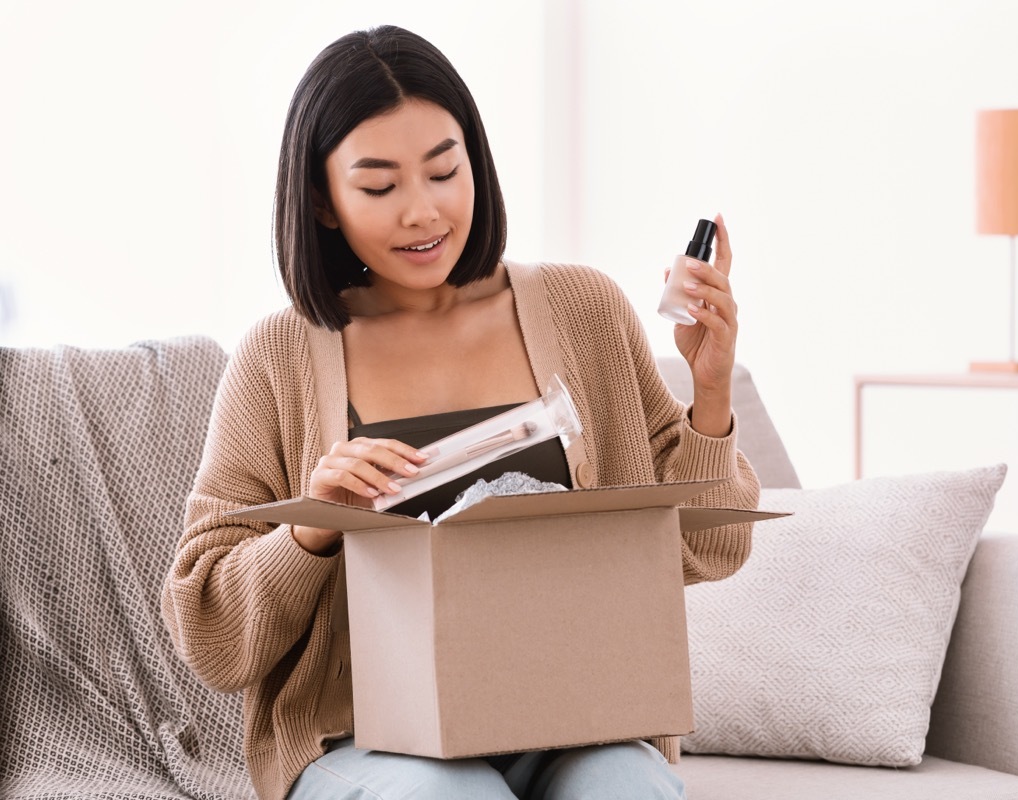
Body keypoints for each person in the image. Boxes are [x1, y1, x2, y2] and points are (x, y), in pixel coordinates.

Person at [161, 24, 759, 800]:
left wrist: (708, 396)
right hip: (366, 742)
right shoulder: (278, 355)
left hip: (572, 720)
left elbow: (704, 554)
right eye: (379, 187)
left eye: (445, 172)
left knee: (629, 788)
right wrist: (311, 527)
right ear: (322, 199)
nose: (423, 212)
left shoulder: (584, 309)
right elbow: (209, 636)